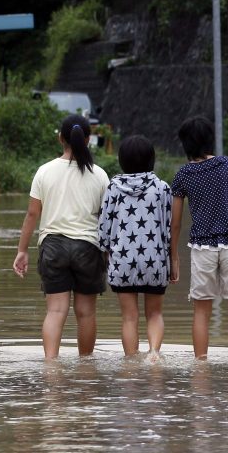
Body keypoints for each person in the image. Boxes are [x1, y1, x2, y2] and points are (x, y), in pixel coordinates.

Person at [13, 114, 110, 359]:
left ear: (60, 139)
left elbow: (32, 214)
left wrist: (22, 251)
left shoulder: (44, 172)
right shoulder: (99, 175)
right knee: (86, 313)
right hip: (88, 247)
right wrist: (108, 254)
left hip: (53, 247)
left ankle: (50, 367)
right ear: (88, 140)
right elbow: (106, 219)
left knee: (55, 312)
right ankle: (86, 368)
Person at [170, 116, 228, 361]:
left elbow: (175, 222)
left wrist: (173, 254)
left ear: (185, 144)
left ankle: (201, 365)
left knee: (201, 312)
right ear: (210, 140)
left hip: (202, 247)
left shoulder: (183, 175)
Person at [98, 135, 175, 361]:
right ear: (152, 159)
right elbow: (169, 227)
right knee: (154, 313)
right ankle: (153, 353)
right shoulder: (162, 188)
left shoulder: (113, 188)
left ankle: (131, 362)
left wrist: (104, 251)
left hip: (122, 260)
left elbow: (104, 227)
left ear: (122, 160)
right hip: (155, 259)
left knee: (129, 318)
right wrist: (170, 258)